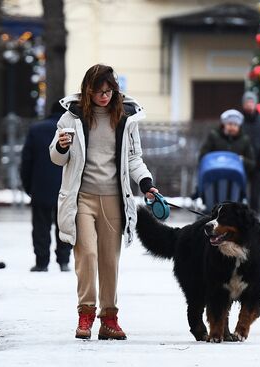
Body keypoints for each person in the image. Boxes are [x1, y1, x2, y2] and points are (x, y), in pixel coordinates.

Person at [49, 64, 159, 340]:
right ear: (88, 90)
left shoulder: (125, 118)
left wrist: (146, 184)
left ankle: (109, 319)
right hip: (82, 197)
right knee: (87, 255)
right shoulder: (71, 118)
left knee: (110, 260)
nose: (104, 97)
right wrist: (61, 146)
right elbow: (57, 158)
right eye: (99, 92)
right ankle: (85, 312)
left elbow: (134, 159)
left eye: (109, 91)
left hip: (114, 198)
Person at [20, 103, 72, 272]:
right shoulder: (71, 132)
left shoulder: (36, 130)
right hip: (65, 186)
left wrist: (29, 186)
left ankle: (42, 262)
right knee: (64, 225)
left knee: (41, 226)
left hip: (41, 186)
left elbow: (26, 162)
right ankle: (63, 261)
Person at [199, 109, 256, 175]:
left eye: (235, 125)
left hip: (236, 178)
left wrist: (241, 160)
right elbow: (203, 157)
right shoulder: (214, 136)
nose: (232, 127)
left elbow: (252, 164)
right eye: (230, 124)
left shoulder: (245, 140)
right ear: (224, 125)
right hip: (215, 174)